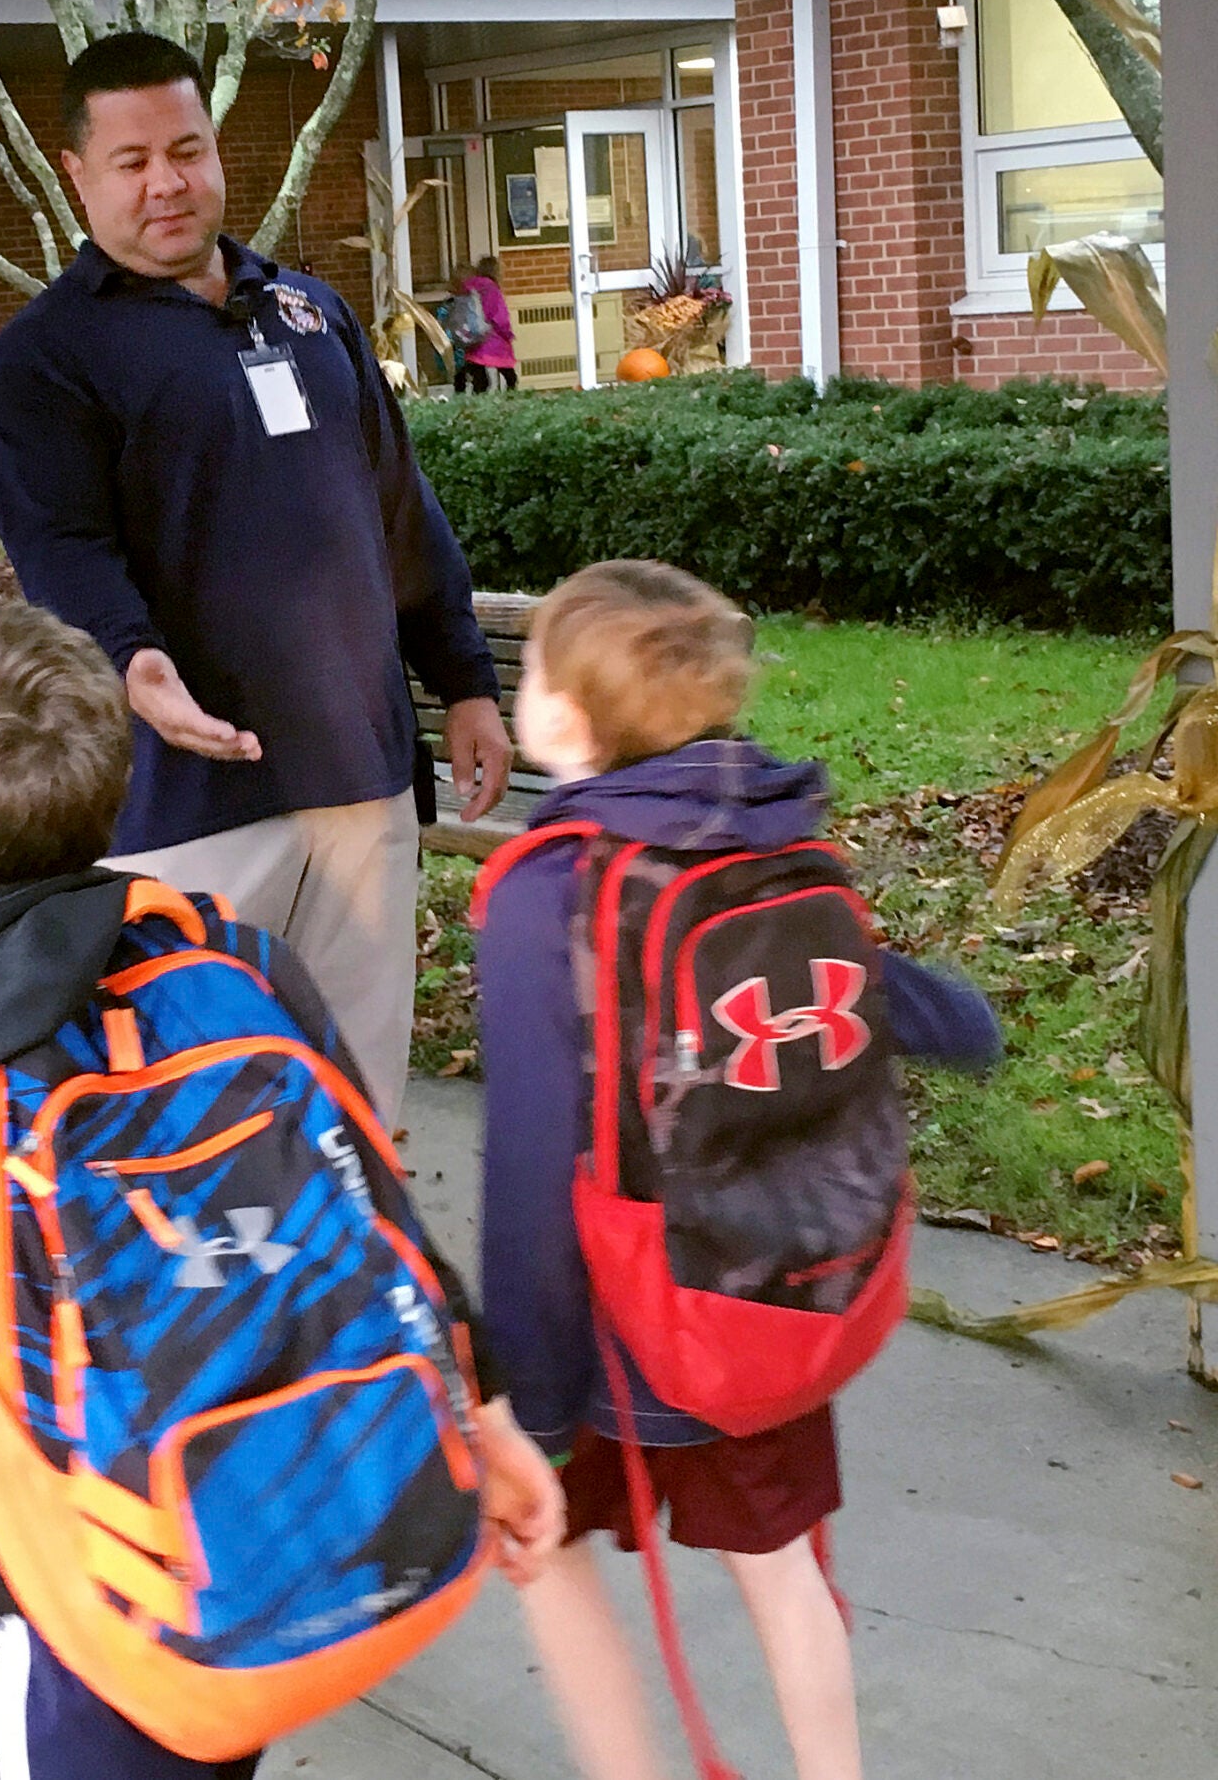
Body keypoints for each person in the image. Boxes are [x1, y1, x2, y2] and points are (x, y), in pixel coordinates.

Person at [0, 601, 562, 1780]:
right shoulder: (236, 964)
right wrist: (485, 1410)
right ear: (119, 784)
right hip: (275, 1526)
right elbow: (369, 1197)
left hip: (86, 1581)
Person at [475, 561, 1000, 1780]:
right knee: (781, 1570)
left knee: (540, 1548)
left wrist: (527, 1403)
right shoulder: (786, 841)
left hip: (623, 1318)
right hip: (776, 1294)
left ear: (558, 713)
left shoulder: (546, 893)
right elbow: (939, 1016)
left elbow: (528, 1162)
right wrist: (951, 1019)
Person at [0, 31, 511, 1118]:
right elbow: (63, 553)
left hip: (359, 780)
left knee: (358, 1110)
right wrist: (131, 662)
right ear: (75, 173)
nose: (166, 182)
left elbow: (396, 510)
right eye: (130, 162)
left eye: (187, 149)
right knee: (200, 1119)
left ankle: (356, 1281)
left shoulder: (310, 313)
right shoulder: (41, 363)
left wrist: (461, 681)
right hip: (189, 810)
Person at [453, 259, 517, 392]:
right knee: (510, 377)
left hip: (472, 338)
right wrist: (508, 334)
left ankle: (467, 397)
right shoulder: (492, 289)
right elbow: (499, 317)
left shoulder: (469, 287)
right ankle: (511, 401)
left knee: (479, 377)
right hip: (492, 339)